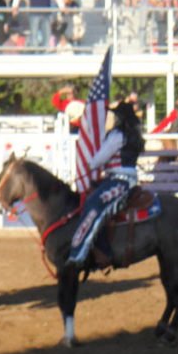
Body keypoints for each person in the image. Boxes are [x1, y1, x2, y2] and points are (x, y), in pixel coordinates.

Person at [64, 101, 144, 269]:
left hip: (117, 181)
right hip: (128, 180)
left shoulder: (117, 135)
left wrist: (92, 163)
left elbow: (98, 160)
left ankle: (79, 254)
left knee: (94, 206)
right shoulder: (134, 135)